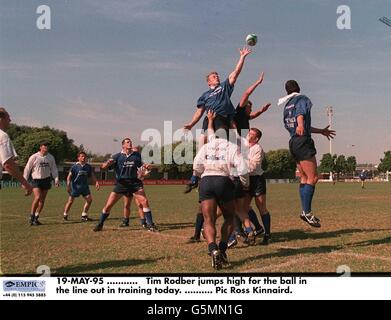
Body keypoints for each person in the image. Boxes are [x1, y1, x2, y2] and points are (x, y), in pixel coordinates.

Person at [193, 117, 249, 270]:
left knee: (208, 219)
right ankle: (223, 248)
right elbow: (242, 169)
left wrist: (196, 177)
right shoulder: (231, 147)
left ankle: (213, 249)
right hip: (223, 181)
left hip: (206, 181)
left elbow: (197, 165)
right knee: (229, 218)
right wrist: (245, 184)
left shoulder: (206, 146)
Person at [279, 80, 336, 228]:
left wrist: (320, 131)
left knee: (304, 178)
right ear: (298, 88)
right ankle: (307, 212)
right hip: (302, 141)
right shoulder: (302, 98)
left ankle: (305, 211)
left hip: (293, 142)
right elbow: (301, 115)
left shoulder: (287, 105)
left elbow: (298, 125)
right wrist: (300, 123)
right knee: (313, 177)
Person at [184, 46, 252, 139]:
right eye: (214, 76)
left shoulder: (224, 86)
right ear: (209, 82)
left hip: (222, 118)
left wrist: (242, 57)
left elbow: (235, 73)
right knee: (203, 140)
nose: (217, 77)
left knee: (221, 141)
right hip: (209, 118)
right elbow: (199, 112)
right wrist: (191, 124)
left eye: (217, 76)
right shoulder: (205, 95)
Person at [93, 138, 157, 232]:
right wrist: (106, 164)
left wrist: (146, 167)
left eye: (130, 142)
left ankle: (150, 225)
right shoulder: (117, 156)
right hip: (121, 184)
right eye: (127, 142)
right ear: (123, 145)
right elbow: (103, 167)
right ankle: (100, 224)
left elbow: (141, 167)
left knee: (144, 201)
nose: (130, 143)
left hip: (134, 183)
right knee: (108, 205)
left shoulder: (136, 155)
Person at [243, 128, 272, 245]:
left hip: (257, 179)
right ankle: (258, 228)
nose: (249, 135)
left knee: (261, 207)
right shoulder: (243, 146)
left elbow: (253, 167)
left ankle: (267, 234)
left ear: (257, 138)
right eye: (249, 133)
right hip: (246, 179)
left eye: (252, 134)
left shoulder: (258, 149)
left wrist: (239, 166)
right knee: (244, 207)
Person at [24, 141, 60, 225]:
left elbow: (54, 169)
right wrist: (24, 180)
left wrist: (56, 179)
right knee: (38, 197)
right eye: (44, 146)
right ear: (40, 147)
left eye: (47, 146)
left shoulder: (50, 157)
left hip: (46, 180)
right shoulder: (34, 156)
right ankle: (31, 216)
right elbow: (27, 168)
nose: (46, 147)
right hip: (36, 180)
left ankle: (36, 217)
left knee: (42, 200)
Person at [0, 107, 32, 195]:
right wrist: (25, 183)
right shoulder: (2, 136)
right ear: (1, 119)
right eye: (8, 118)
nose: (10, 120)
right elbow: (8, 165)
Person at [63, 151, 100, 222]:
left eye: (84, 156)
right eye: (82, 156)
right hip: (75, 187)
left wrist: (96, 182)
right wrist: (68, 185)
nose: (83, 158)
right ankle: (65, 214)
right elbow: (69, 177)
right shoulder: (74, 166)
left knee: (89, 200)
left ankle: (84, 215)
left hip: (85, 187)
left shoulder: (88, 166)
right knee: (70, 201)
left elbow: (92, 175)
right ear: (78, 158)